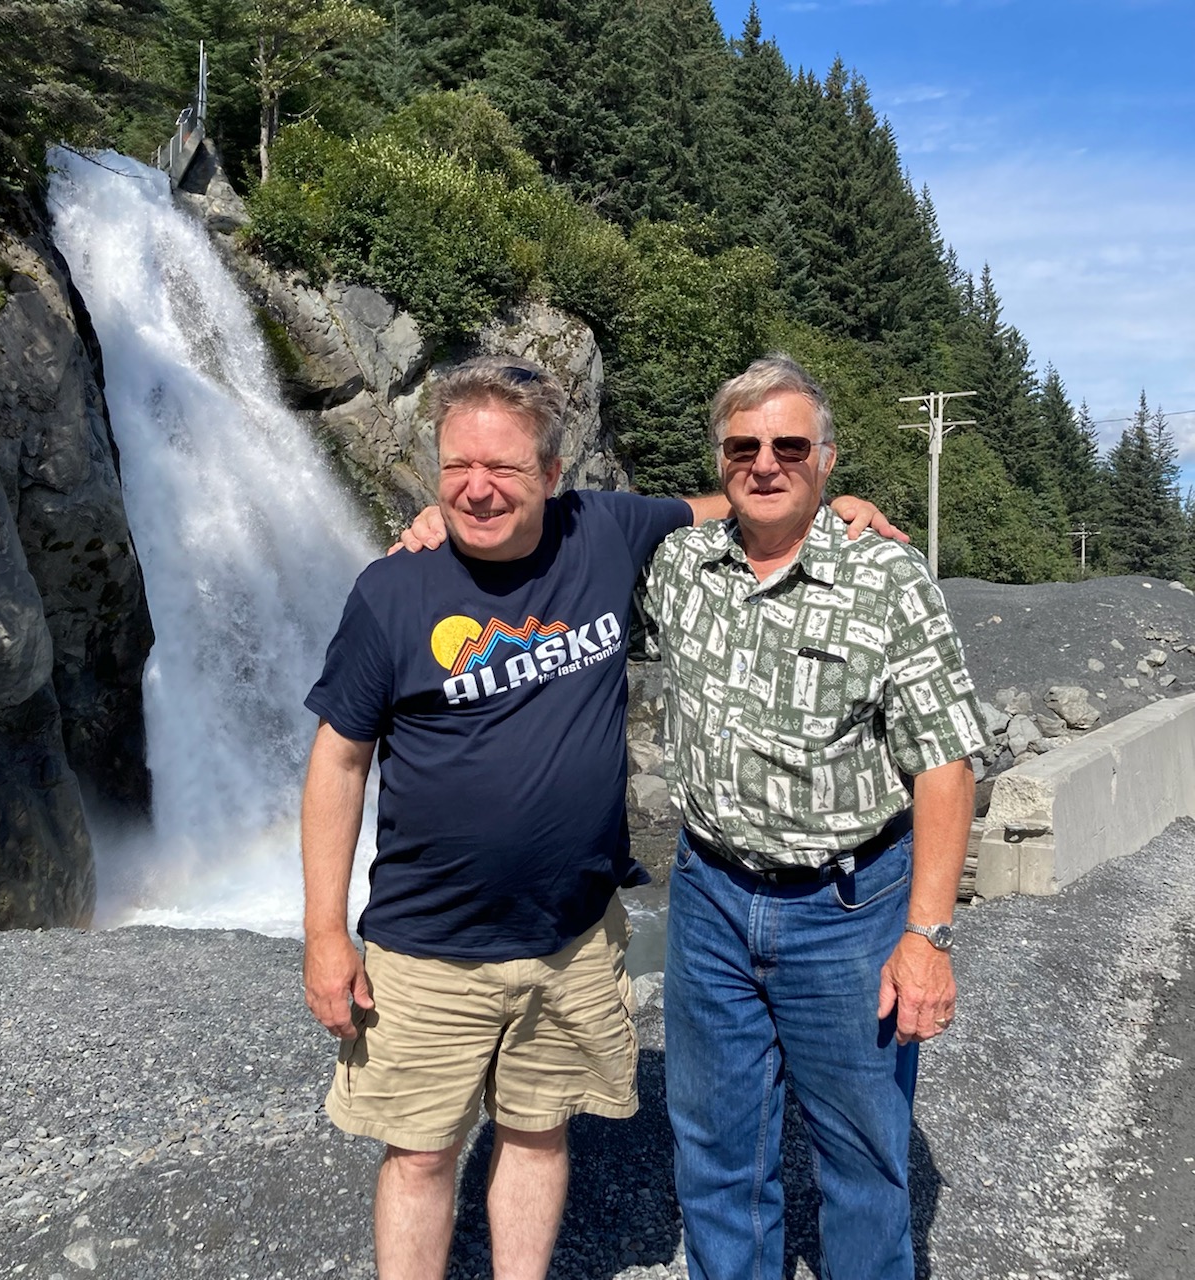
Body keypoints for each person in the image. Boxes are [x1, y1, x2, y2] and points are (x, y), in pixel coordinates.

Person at [300, 355, 896, 1279]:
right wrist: (323, 934)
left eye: (503, 468)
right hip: (425, 945)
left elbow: (734, 503)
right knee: (419, 1154)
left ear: (551, 475)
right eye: (458, 466)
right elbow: (338, 762)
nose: (477, 488)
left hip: (574, 936)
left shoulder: (606, 529)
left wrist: (831, 502)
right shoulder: (393, 590)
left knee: (537, 1133)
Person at [636, 352, 987, 1280]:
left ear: (828, 460)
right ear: (719, 459)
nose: (765, 462)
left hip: (850, 911)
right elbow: (556, 559)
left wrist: (930, 937)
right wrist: (439, 523)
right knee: (715, 1157)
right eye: (743, 446)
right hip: (708, 897)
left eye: (790, 445)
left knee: (865, 1162)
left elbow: (946, 766)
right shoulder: (679, 566)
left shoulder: (888, 580)